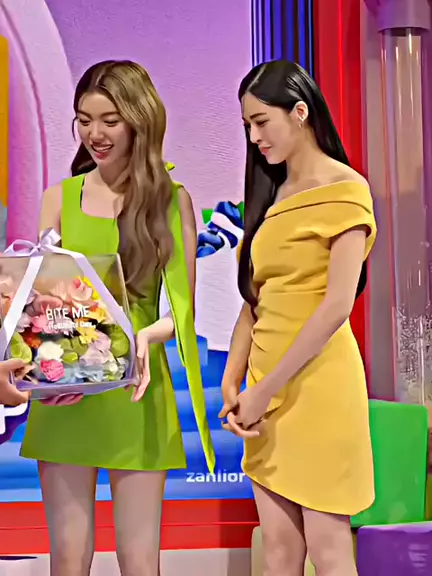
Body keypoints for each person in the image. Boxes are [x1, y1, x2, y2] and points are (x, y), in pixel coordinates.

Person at [20, 60, 214, 576]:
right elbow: (43, 303)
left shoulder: (172, 201)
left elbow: (182, 310)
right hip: (66, 392)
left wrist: (145, 337)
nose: (95, 134)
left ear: (139, 120)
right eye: (85, 120)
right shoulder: (58, 198)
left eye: (110, 120)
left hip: (137, 391)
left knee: (139, 561)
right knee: (67, 558)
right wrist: (47, 372)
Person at [219, 60, 376, 576]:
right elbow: (255, 298)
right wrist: (233, 379)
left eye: (261, 121)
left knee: (329, 551)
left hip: (320, 385)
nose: (254, 136)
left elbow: (337, 305)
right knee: (280, 552)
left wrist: (264, 391)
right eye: (247, 125)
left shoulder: (346, 189)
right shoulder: (271, 194)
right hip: (265, 390)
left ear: (300, 112)